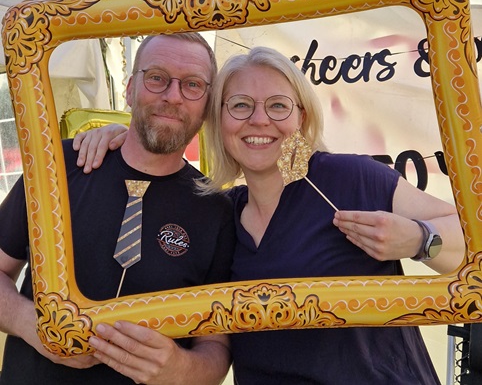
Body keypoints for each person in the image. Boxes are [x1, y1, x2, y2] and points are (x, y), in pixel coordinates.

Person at [75, 46, 465, 384]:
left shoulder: (348, 179)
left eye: (277, 105)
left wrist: (419, 238)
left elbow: (470, 239)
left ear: (302, 119)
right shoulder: (222, 212)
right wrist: (120, 137)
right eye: (241, 105)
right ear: (219, 122)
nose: (259, 120)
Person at [0, 33, 236, 385]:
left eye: (192, 85)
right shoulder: (58, 167)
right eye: (156, 77)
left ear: (207, 104)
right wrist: (36, 328)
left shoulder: (217, 210)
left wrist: (179, 368)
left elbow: (216, 346)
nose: (173, 96)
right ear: (129, 88)